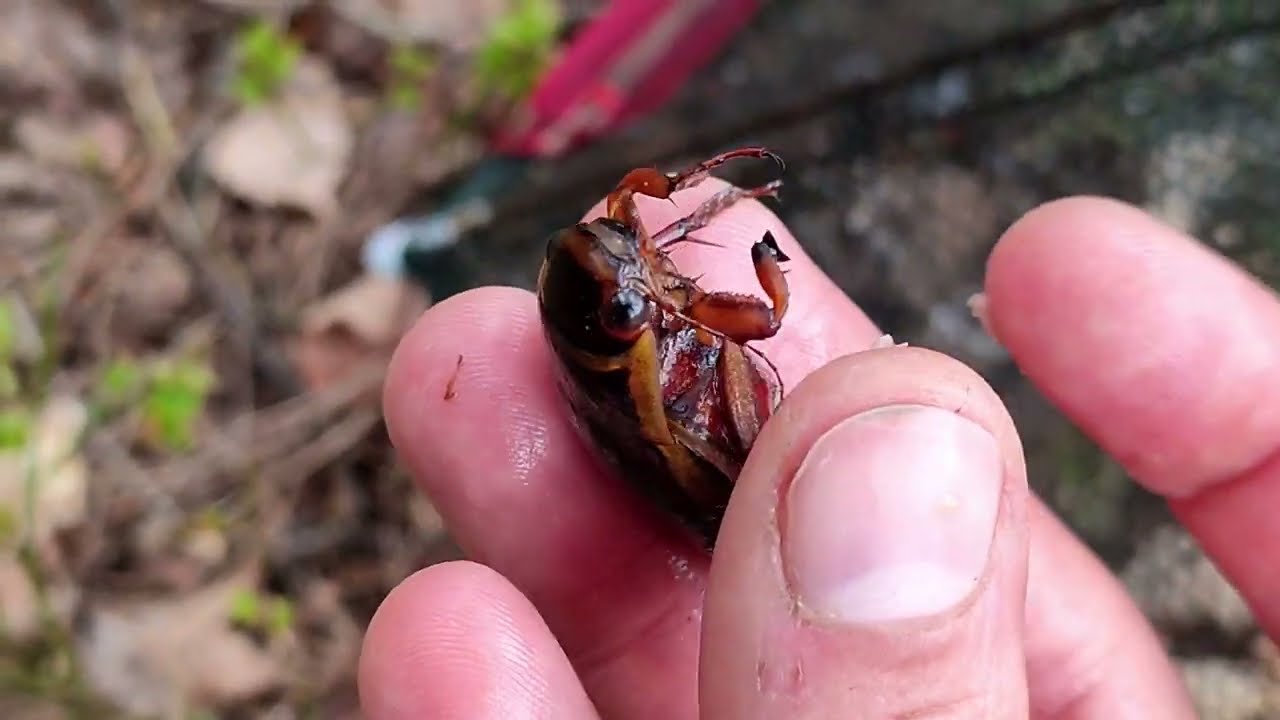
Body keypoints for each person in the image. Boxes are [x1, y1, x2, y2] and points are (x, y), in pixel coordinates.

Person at [356, 181, 1280, 719]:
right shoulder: (646, 369)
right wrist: (755, 265)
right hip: (723, 478)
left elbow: (673, 275)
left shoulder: (629, 327)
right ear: (622, 328)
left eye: (628, 241)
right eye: (631, 280)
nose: (640, 255)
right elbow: (763, 319)